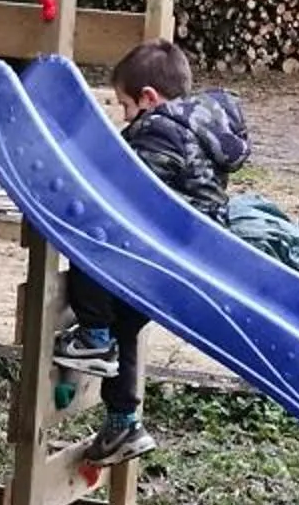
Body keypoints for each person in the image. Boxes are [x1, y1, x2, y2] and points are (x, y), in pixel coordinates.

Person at [52, 38, 250, 464]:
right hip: (185, 262)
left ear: (149, 98)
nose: (124, 117)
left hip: (163, 257)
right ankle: (123, 423)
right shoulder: (203, 129)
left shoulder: (161, 129)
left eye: (124, 106)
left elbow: (131, 197)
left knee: (89, 236)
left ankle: (93, 337)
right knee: (125, 324)